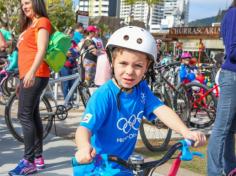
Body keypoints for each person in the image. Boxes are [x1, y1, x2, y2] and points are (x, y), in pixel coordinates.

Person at [74, 26, 206, 174]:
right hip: (97, 166)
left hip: (123, 167)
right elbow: (84, 129)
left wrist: (185, 131)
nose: (130, 71)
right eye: (123, 63)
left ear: (147, 68)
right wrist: (84, 147)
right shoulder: (104, 95)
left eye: (138, 65)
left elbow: (161, 109)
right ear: (112, 62)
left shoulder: (141, 89)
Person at [8, 0, 52, 175]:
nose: (24, 6)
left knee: (24, 115)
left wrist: (32, 73)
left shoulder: (42, 22)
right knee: (32, 115)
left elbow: (41, 50)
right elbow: (27, 54)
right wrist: (21, 79)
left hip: (37, 73)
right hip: (29, 74)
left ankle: (29, 160)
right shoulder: (29, 25)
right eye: (22, 4)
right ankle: (38, 158)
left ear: (36, 3)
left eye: (27, 2)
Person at [207, 1, 236, 175]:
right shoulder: (233, 14)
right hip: (232, 76)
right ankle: (214, 172)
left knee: (229, 129)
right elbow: (232, 51)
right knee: (221, 128)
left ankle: (230, 168)